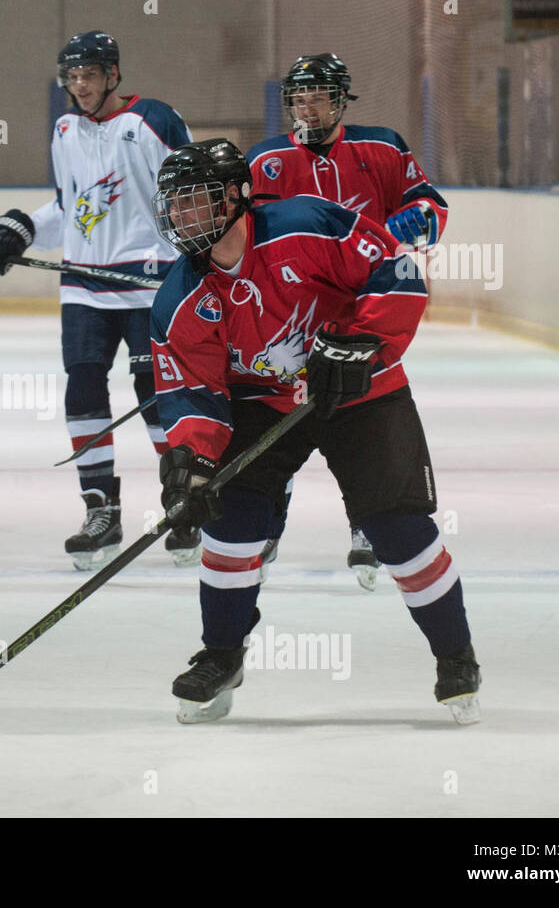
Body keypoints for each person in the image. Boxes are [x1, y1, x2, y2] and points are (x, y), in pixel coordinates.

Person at [148, 139, 480, 725]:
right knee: (231, 521)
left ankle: (456, 655)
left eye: (194, 202)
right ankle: (221, 655)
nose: (181, 217)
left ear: (234, 198)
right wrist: (190, 466)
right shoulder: (180, 298)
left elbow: (396, 267)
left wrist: (363, 340)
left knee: (396, 527)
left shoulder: (306, 223)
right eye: (174, 206)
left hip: (363, 390)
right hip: (267, 400)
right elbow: (195, 393)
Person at [0, 30, 195, 570]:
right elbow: (71, 208)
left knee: (157, 397)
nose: (79, 85)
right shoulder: (65, 128)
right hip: (85, 288)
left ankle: (186, 502)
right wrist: (20, 228)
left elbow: (194, 193)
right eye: (71, 77)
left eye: (88, 75)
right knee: (83, 391)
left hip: (151, 285)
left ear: (113, 75)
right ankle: (101, 509)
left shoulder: (155, 121)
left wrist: (201, 263)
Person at [244, 52, 450, 591]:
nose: (307, 106)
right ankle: (265, 518)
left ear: (340, 100)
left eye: (318, 95)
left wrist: (416, 219)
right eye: (299, 96)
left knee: (359, 418)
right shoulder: (266, 160)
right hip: (291, 315)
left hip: (365, 311)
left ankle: (367, 519)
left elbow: (429, 204)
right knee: (280, 417)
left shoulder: (381, 146)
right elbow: (246, 237)